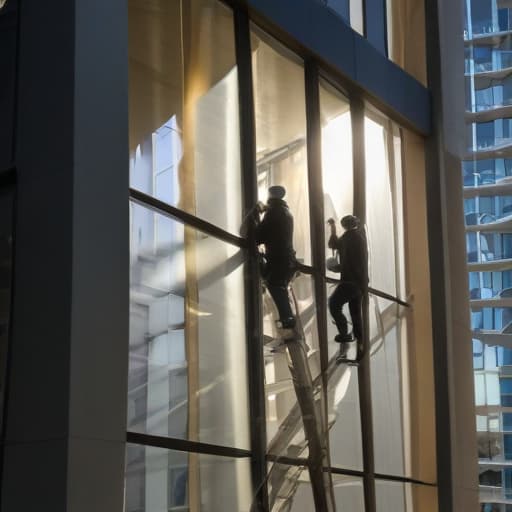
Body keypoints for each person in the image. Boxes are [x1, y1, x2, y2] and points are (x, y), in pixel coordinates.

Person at [255, 185, 297, 329]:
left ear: (270, 195)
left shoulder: (273, 212)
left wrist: (256, 216)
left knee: (275, 286)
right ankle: (288, 320)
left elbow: (258, 236)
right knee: (280, 288)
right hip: (287, 259)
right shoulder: (286, 212)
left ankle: (287, 321)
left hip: (278, 259)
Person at [327, 214, 368, 361]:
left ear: (345, 226)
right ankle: (360, 350)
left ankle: (344, 335)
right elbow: (352, 261)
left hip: (350, 282)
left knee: (334, 304)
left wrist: (332, 228)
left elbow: (333, 245)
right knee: (356, 316)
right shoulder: (358, 238)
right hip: (360, 283)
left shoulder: (349, 238)